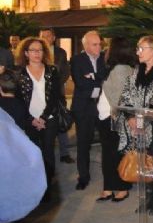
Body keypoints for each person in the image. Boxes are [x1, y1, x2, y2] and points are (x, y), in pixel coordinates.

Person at [118, 35, 153, 213]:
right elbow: (125, 96)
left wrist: (141, 119)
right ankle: (148, 198)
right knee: (142, 161)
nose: (137, 52)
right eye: (137, 48)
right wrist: (131, 118)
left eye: (142, 48)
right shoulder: (135, 73)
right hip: (137, 127)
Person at [15, 37, 64, 200]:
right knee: (33, 153)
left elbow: (55, 97)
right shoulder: (19, 73)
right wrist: (31, 119)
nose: (37, 53)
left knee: (48, 151)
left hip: (48, 118)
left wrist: (43, 117)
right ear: (26, 53)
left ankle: (48, 187)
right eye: (33, 50)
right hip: (29, 120)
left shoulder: (52, 70)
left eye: (40, 50)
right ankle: (35, 186)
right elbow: (18, 100)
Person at [96, 37, 136, 203]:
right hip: (106, 117)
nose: (106, 50)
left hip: (114, 117)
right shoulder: (117, 67)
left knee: (116, 154)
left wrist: (119, 115)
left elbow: (121, 98)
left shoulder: (121, 69)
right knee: (108, 154)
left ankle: (121, 188)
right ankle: (108, 186)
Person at [70, 30, 108, 190]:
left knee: (107, 143)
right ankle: (83, 177)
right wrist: (98, 78)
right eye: (95, 44)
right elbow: (81, 83)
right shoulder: (76, 60)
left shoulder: (105, 59)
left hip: (102, 107)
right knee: (83, 144)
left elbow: (107, 79)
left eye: (99, 44)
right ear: (85, 45)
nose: (99, 47)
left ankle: (110, 177)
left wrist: (93, 77)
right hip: (83, 108)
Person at [39, 28, 74, 164]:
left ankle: (64, 153)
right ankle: (43, 154)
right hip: (39, 95)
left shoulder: (60, 52)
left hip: (57, 93)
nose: (45, 39)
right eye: (43, 36)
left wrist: (53, 85)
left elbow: (65, 71)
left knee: (61, 122)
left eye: (48, 36)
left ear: (53, 38)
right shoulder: (36, 52)